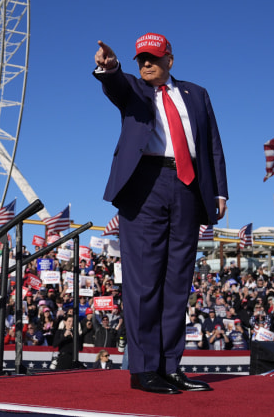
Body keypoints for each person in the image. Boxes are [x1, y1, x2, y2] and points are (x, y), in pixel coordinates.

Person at [93, 33, 227, 394]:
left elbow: (211, 142)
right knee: (144, 283)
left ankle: (170, 366)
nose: (146, 64)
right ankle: (144, 369)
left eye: (152, 58)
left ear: (170, 59)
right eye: (140, 60)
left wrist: (219, 190)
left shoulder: (197, 95)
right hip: (144, 187)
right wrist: (110, 69)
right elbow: (116, 86)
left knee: (177, 282)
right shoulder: (134, 89)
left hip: (187, 186)